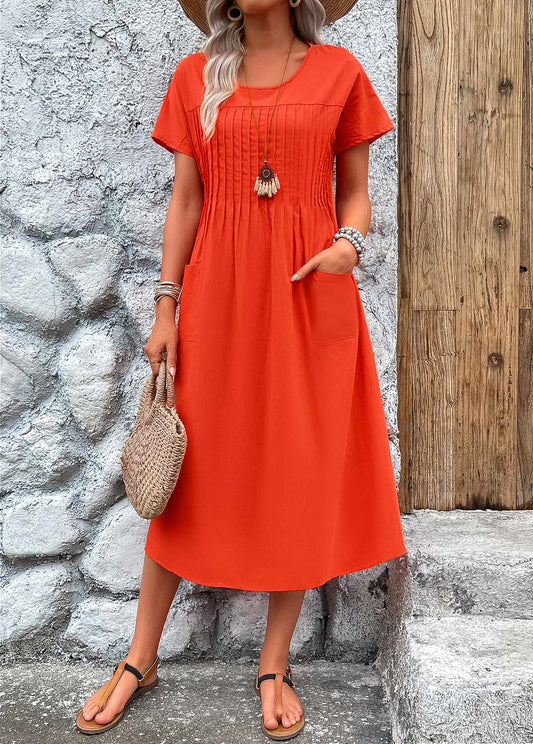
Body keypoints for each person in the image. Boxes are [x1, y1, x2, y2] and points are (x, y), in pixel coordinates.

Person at [75, 0, 407, 738]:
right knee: (189, 471)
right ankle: (140, 658)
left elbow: (356, 192)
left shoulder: (340, 72)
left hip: (309, 292)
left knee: (298, 464)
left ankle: (273, 662)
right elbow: (185, 199)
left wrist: (348, 244)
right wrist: (166, 307)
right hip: (219, 294)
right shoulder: (194, 77)